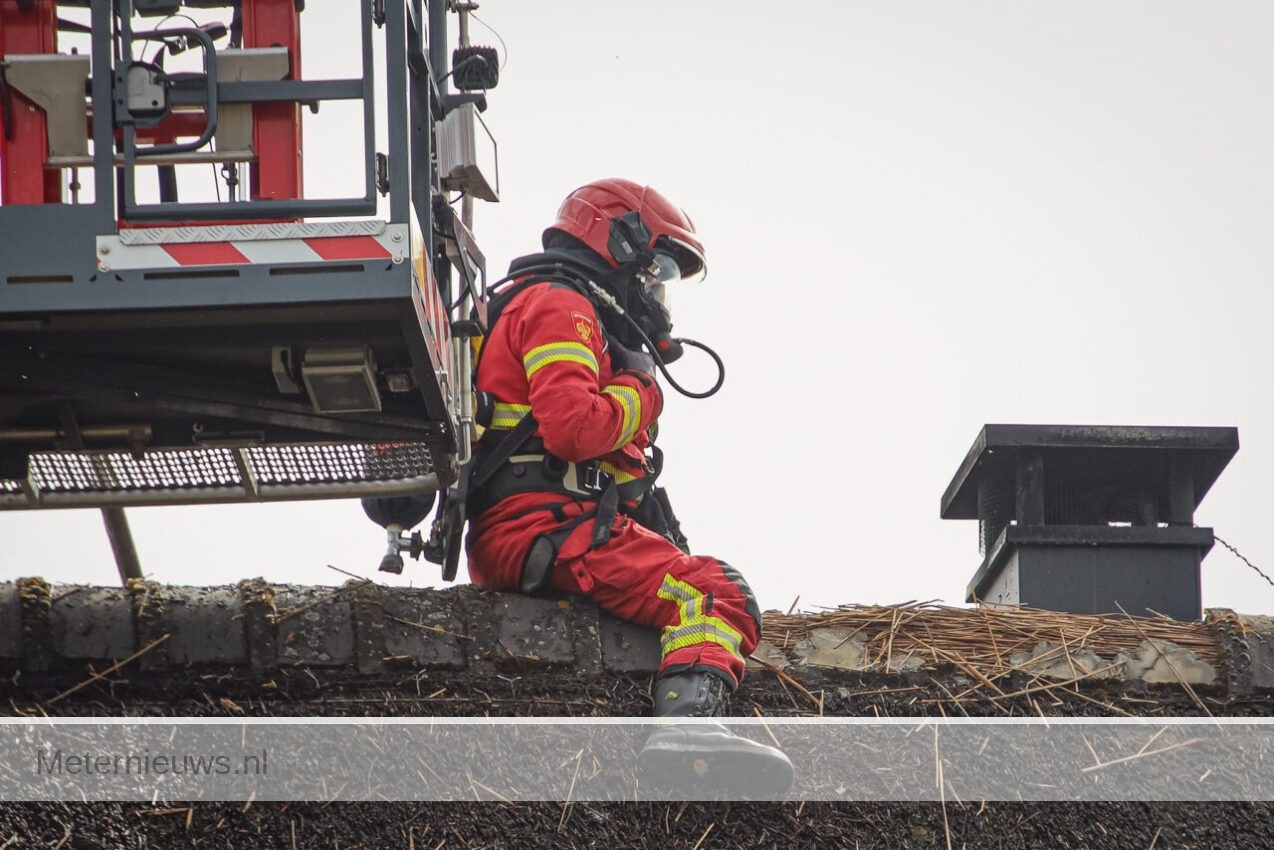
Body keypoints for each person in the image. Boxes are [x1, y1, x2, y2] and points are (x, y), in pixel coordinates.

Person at [463, 178, 793, 793]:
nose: (658, 290)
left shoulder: (546, 307)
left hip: (539, 526)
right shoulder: (560, 305)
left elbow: (603, 468)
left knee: (692, 571)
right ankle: (689, 733)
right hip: (540, 525)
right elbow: (573, 429)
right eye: (657, 268)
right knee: (716, 594)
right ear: (618, 243)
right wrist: (643, 391)